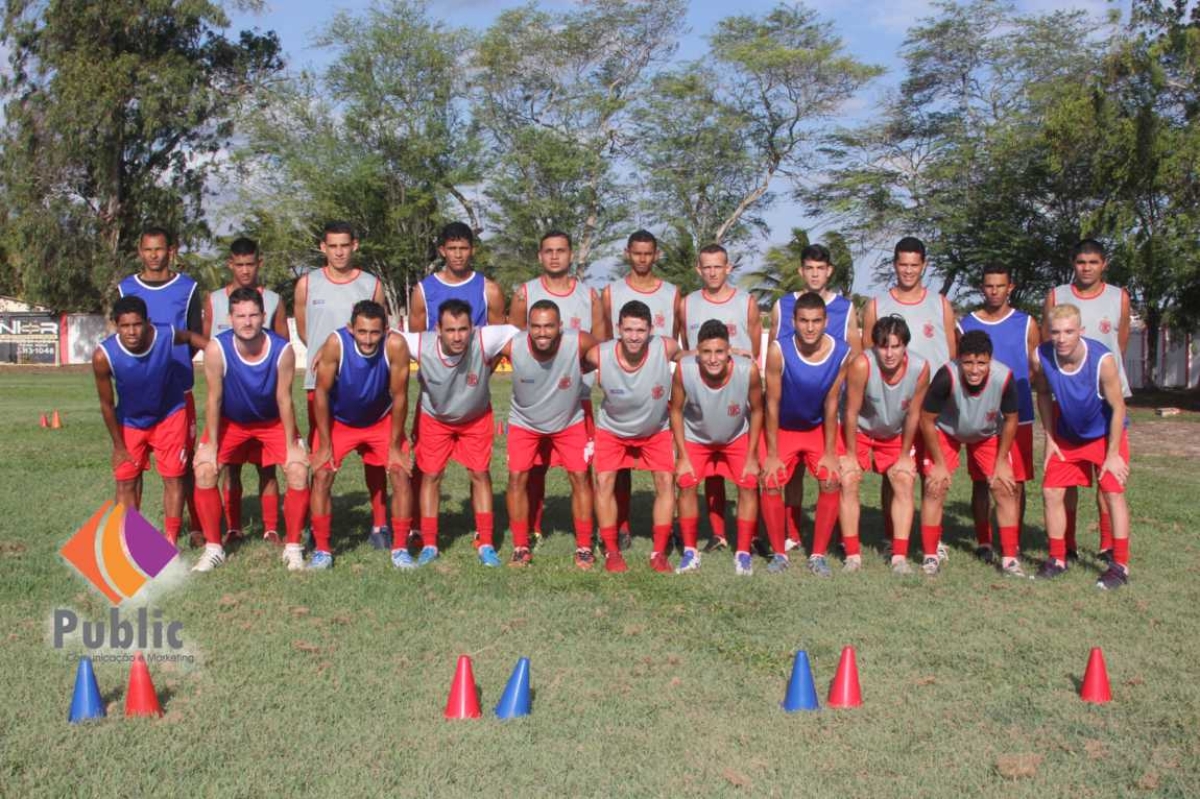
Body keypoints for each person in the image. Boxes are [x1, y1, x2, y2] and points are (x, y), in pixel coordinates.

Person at [191, 288, 309, 573]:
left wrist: (293, 443)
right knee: (206, 468)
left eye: (253, 315)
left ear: (263, 316)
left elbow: (284, 398)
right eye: (240, 315)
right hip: (231, 421)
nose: (247, 322)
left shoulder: (282, 349)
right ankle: (213, 549)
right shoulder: (216, 349)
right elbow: (214, 399)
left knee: (298, 469)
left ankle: (293, 548)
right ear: (229, 318)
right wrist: (211, 444)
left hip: (271, 422)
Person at [396, 299, 519, 567]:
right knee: (431, 475)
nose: (457, 336)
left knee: (480, 474)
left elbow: (517, 333)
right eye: (450, 330)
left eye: (463, 329)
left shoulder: (485, 338)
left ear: (472, 328)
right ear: (437, 328)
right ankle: (429, 543)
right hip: (435, 419)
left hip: (475, 418)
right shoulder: (419, 343)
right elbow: (384, 338)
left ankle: (485, 542)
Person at [293, 221, 391, 549]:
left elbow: (381, 327)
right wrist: (328, 352)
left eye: (344, 245)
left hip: (366, 383)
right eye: (332, 246)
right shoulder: (307, 284)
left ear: (354, 246)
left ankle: (380, 524)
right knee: (322, 456)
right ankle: (316, 526)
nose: (338, 252)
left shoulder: (371, 284)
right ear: (323, 247)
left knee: (375, 459)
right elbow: (305, 330)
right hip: (321, 383)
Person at [861, 236, 957, 561]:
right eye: (902, 264)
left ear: (924, 266)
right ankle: (892, 537)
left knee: (932, 474)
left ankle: (934, 540)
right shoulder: (876, 305)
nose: (908, 271)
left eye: (915, 265)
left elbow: (953, 357)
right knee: (895, 473)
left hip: (932, 408)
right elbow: (867, 357)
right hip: (893, 406)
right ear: (894, 265)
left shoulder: (941, 304)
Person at [509, 230, 605, 546]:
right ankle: (532, 527)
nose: (554, 256)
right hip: (536, 400)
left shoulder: (589, 295)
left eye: (561, 250)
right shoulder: (525, 293)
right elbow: (514, 340)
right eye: (548, 251)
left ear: (570, 254)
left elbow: (600, 347)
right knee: (532, 469)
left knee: (583, 471)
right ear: (540, 255)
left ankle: (590, 535)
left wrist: (578, 373)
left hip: (576, 400)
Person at [1042, 239, 1131, 563]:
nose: (1087, 267)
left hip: (1103, 393)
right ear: (1073, 263)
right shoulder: (1056, 296)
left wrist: (1103, 376)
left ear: (1103, 263)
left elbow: (1119, 344)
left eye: (1093, 262)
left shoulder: (1118, 296)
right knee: (1063, 486)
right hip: (1067, 397)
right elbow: (1046, 346)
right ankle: (1066, 547)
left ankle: (1110, 547)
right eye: (1081, 262)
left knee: (1107, 484)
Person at [92, 296, 207, 546]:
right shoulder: (103, 356)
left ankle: (169, 542)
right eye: (125, 326)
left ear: (148, 323)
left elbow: (187, 337)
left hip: (170, 415)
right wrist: (118, 446)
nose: (132, 331)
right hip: (131, 422)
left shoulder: (164, 335)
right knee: (126, 481)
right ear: (115, 325)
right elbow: (106, 405)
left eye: (137, 324)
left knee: (174, 477)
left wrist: (217, 351)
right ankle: (128, 541)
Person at [769, 243, 861, 554]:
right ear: (801, 271)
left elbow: (855, 359)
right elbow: (775, 355)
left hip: (826, 403)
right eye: (809, 268)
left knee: (833, 473)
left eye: (821, 268)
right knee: (788, 474)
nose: (815, 274)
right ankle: (790, 531)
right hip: (790, 404)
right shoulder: (783, 306)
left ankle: (832, 535)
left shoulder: (845, 308)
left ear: (829, 271)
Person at [1032, 304, 1131, 589]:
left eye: (1069, 332)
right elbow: (1043, 395)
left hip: (1105, 434)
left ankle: (1120, 565)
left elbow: (1118, 407)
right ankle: (1058, 558)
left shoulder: (1103, 360)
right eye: (1055, 332)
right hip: (1067, 434)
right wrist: (1050, 438)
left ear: (1081, 331)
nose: (1061, 338)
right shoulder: (1041, 356)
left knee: (1113, 491)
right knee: (1051, 491)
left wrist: (1112, 455)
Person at [308, 301, 413, 570]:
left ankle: (400, 548)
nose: (368, 339)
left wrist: (394, 446)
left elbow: (400, 396)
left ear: (386, 330)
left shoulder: (396, 346)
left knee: (400, 472)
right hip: (340, 420)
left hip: (380, 420)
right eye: (362, 332)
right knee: (321, 473)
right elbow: (320, 393)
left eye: (375, 333)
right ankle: (322, 549)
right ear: (350, 329)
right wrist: (325, 444)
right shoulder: (335, 344)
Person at [118, 226, 204, 544]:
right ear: (140, 251)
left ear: (171, 250)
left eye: (159, 249)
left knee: (184, 466)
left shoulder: (188, 287)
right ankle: (131, 537)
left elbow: (193, 335)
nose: (154, 255)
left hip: (177, 395)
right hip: (135, 397)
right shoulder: (126, 287)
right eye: (147, 249)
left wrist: (171, 364)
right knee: (131, 469)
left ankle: (195, 526)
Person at [203, 237, 289, 546]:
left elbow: (282, 346)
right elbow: (206, 343)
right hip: (231, 402)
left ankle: (271, 527)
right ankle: (234, 526)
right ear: (230, 265)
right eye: (238, 265)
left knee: (268, 470)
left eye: (249, 264)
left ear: (258, 264)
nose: (244, 270)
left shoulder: (275, 299)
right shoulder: (214, 300)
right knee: (232, 469)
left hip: (265, 405)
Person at [500, 300, 598, 568]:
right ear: (528, 327)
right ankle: (520, 546)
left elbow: (604, 357)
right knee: (517, 477)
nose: (542, 332)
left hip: (569, 421)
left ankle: (584, 547)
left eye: (549, 326)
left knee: (580, 477)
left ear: (561, 327)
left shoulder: (579, 341)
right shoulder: (512, 345)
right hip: (524, 422)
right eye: (536, 326)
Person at [586, 300, 682, 573]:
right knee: (604, 483)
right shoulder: (598, 354)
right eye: (628, 329)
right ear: (618, 328)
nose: (634, 336)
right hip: (612, 430)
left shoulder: (666, 347)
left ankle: (659, 552)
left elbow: (694, 359)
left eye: (640, 330)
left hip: (655, 430)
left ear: (650, 330)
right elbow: (567, 358)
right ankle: (612, 551)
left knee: (666, 482)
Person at [680, 243, 762, 556]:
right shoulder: (688, 304)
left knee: (745, 469)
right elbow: (686, 347)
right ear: (698, 270)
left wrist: (744, 358)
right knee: (712, 469)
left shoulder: (746, 302)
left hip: (738, 393)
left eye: (718, 266)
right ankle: (718, 534)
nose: (713, 272)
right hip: (704, 393)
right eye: (707, 267)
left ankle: (750, 536)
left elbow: (754, 350)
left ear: (728, 268)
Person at [917, 330, 1022, 576]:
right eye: (968, 362)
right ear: (959, 359)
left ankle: (1009, 559)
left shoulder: (1004, 377)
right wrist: (940, 464)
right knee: (936, 484)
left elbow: (1011, 419)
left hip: (987, 433)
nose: (975, 370)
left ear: (990, 360)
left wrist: (1001, 463)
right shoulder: (946, 376)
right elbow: (926, 419)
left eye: (981, 363)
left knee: (1004, 486)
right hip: (947, 431)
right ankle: (931, 555)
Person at [602, 230, 681, 551]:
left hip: (660, 390)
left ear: (656, 254)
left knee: (666, 470)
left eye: (648, 253)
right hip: (623, 391)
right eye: (637, 253)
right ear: (627, 253)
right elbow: (606, 341)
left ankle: (668, 529)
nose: (643, 259)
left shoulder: (673, 293)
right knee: (617, 469)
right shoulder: (611, 292)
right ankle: (620, 527)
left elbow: (676, 345)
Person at [760, 292, 849, 575]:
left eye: (816, 321)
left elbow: (832, 403)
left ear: (826, 321)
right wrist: (772, 454)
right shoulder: (778, 350)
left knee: (832, 480)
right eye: (803, 321)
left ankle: (818, 554)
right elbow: (771, 403)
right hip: (783, 427)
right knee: (771, 480)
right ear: (793, 321)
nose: (810, 328)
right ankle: (779, 553)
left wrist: (831, 452)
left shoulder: (841, 351)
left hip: (816, 429)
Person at [958, 264, 1038, 563]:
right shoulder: (967, 323)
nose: (994, 291)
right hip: (981, 416)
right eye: (989, 286)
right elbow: (961, 366)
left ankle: (1011, 542)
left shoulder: (1027, 323)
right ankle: (983, 540)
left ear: (1010, 287)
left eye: (1000, 286)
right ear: (982, 288)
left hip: (1020, 416)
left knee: (1015, 481)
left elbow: (1034, 366)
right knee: (982, 480)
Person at [669, 320, 763, 575]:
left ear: (729, 351)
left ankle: (743, 553)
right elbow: (675, 410)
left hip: (735, 437)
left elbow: (757, 411)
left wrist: (752, 455)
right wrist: (681, 454)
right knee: (686, 483)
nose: (713, 358)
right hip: (696, 437)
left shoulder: (748, 370)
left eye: (719, 351)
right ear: (697, 352)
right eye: (706, 352)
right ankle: (690, 551)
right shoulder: (684, 369)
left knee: (748, 483)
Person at [840, 315, 930, 575]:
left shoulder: (921, 368)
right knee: (848, 478)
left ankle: (899, 556)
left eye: (896, 346)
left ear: (905, 346)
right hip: (861, 430)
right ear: (874, 346)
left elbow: (914, 414)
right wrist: (850, 454)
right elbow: (851, 411)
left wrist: (904, 455)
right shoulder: (861, 364)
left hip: (895, 433)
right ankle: (852, 555)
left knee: (903, 478)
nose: (889, 353)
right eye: (883, 346)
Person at [407, 222, 506, 332]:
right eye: (452, 248)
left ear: (473, 250)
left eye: (463, 248)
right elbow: (417, 343)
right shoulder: (423, 291)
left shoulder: (490, 291)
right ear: (443, 251)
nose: (458, 255)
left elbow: (499, 342)